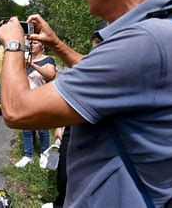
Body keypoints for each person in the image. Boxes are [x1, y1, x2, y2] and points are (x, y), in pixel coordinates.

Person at [0, 0, 172, 206]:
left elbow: (17, 110)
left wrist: (13, 44)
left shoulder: (145, 41)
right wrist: (56, 44)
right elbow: (110, 80)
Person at [43, 21, 107, 208]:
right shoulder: (85, 65)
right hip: (73, 129)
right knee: (63, 177)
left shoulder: (121, 68)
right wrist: (60, 125)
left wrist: (13, 47)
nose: (99, 46)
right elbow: (69, 99)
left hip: (98, 139)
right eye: (96, 41)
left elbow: (16, 112)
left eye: (105, 41)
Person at [15, 40, 56, 168]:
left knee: (42, 130)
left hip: (42, 99)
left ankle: (44, 154)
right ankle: (28, 156)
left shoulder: (48, 60)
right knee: (27, 129)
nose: (32, 45)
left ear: (42, 45)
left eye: (35, 43)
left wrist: (32, 64)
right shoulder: (24, 60)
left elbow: (51, 75)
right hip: (26, 100)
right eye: (30, 43)